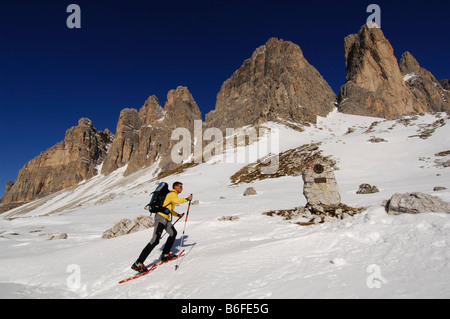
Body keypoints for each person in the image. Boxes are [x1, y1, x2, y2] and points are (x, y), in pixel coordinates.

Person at [131, 181, 193, 273]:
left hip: (165, 219)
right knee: (155, 240)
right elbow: (177, 201)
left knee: (173, 233)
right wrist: (187, 199)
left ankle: (165, 255)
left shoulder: (171, 195)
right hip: (161, 218)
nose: (182, 188)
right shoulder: (172, 193)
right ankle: (138, 263)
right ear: (175, 187)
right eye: (180, 186)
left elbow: (169, 210)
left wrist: (178, 215)